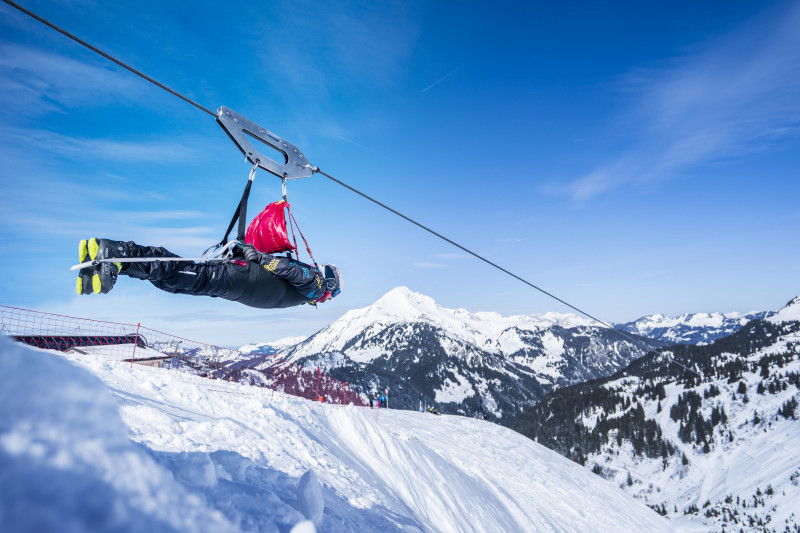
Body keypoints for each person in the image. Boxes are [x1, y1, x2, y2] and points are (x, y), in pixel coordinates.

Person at [75, 238, 341, 309]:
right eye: (333, 293)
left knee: (173, 282)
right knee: (177, 271)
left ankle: (115, 263)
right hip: (235, 280)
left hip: (235, 284)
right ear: (330, 283)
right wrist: (259, 258)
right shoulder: (317, 285)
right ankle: (118, 251)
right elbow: (289, 269)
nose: (329, 298)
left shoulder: (308, 293)